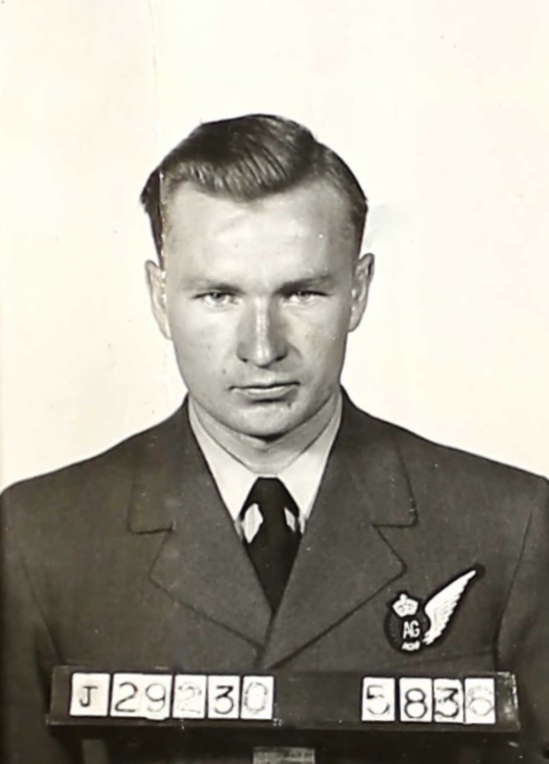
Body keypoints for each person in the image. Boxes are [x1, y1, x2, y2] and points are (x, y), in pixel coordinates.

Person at [1, 113, 548, 764]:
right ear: (159, 296)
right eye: (217, 296)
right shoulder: (38, 539)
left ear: (357, 292)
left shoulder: (511, 526)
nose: (261, 348)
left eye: (301, 293)